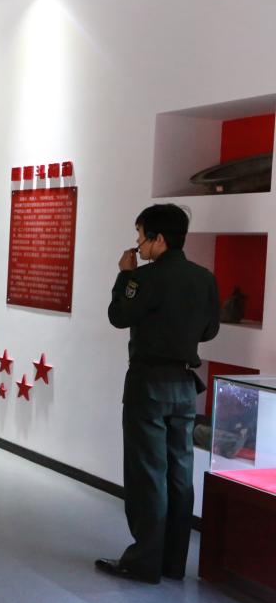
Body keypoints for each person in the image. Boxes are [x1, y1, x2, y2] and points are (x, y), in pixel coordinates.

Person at [98, 203, 219, 583]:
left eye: (140, 236)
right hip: (184, 386)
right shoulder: (205, 278)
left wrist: (125, 275)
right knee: (180, 475)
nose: (137, 244)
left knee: (148, 474)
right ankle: (172, 562)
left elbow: (119, 316)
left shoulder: (144, 278)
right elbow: (210, 331)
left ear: (158, 238)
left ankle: (143, 562)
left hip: (148, 384)